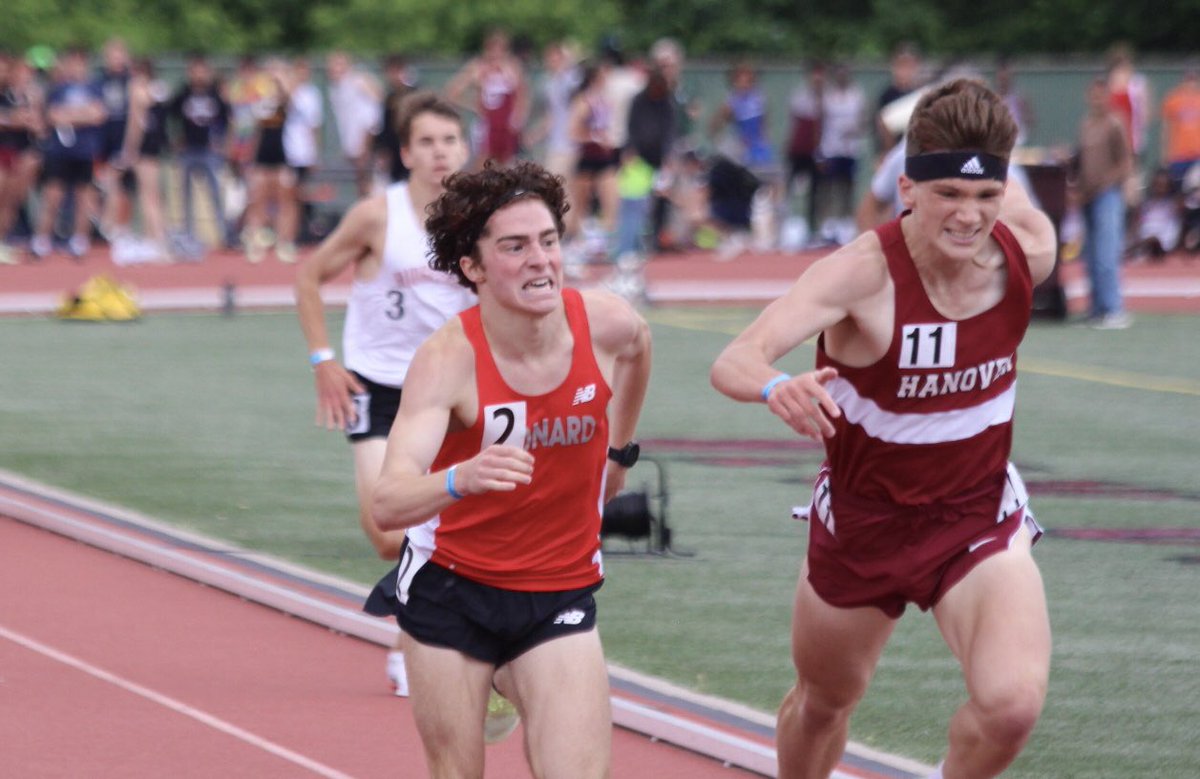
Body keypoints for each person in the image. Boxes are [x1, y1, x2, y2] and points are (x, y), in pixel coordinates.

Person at [711, 79, 1056, 779]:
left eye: (985, 197)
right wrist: (779, 385)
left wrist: (988, 149)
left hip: (975, 516)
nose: (969, 217)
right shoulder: (861, 274)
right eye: (948, 197)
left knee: (1011, 706)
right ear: (906, 188)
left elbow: (1011, 198)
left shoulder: (1029, 250)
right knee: (825, 702)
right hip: (866, 524)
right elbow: (734, 358)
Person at [369, 159, 652, 777]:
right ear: (472, 267)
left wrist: (620, 454)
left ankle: (510, 674)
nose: (540, 260)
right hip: (452, 589)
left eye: (549, 241)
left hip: (558, 590)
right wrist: (458, 479)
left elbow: (638, 347)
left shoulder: (602, 323)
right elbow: (387, 504)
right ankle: (492, 676)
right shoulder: (446, 360)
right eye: (515, 246)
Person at [294, 91, 476, 698]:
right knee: (386, 530)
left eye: (449, 140)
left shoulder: (480, 219)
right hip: (379, 385)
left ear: (465, 148)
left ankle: (417, 643)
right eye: (426, 142)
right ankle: (423, 628)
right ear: (406, 152)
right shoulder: (378, 215)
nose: (439, 152)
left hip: (451, 391)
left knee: (457, 525)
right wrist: (324, 360)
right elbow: (309, 276)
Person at [31, 46, 106, 260]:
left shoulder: (94, 87)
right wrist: (81, 114)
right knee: (52, 195)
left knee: (84, 196)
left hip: (85, 151)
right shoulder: (58, 89)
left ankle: (79, 240)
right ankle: (42, 240)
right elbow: (53, 116)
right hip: (60, 151)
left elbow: (97, 114)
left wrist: (71, 115)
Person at [1075, 76, 1133, 329]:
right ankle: (1096, 307)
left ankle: (1113, 307)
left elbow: (1125, 161)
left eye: (1101, 94)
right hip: (1087, 194)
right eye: (1093, 94)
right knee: (1090, 253)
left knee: (1106, 253)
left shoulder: (1115, 124)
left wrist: (1109, 183)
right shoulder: (1086, 125)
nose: (1096, 99)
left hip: (1107, 194)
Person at [169, 52, 231, 250]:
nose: (198, 75)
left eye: (202, 70)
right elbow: (168, 115)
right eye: (195, 70)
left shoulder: (215, 94)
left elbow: (228, 119)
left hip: (209, 151)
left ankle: (223, 235)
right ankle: (187, 235)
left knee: (215, 193)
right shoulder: (184, 93)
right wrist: (175, 140)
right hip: (188, 150)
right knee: (185, 196)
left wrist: (223, 144)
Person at [113, 56, 170, 263]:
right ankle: (153, 238)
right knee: (153, 194)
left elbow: (135, 124)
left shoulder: (137, 90)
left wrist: (129, 150)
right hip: (154, 146)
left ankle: (157, 241)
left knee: (148, 196)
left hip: (144, 147)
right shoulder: (156, 91)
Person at [444, 29, 528, 168]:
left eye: (501, 48)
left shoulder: (512, 67)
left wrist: (518, 118)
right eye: (492, 48)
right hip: (487, 124)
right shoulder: (478, 67)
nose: (496, 53)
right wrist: (474, 107)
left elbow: (522, 95)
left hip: (506, 125)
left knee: (505, 164)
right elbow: (452, 92)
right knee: (483, 163)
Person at [326, 51, 382, 197]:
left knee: (369, 182)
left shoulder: (357, 83)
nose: (335, 69)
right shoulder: (336, 89)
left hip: (364, 143)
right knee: (361, 182)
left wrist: (365, 144)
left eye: (339, 64)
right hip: (354, 144)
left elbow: (371, 115)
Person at [1159, 66, 1200, 192]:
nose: (1190, 83)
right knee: (1177, 190)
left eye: (1193, 79)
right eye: (1188, 79)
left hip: (1197, 154)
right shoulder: (1173, 99)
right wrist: (1164, 154)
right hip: (1178, 154)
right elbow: (1165, 129)